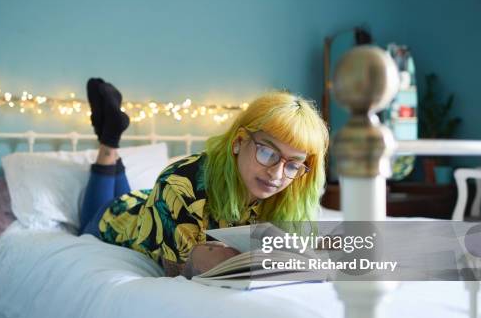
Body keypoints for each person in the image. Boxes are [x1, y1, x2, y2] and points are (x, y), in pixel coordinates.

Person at [80, 78, 329, 277]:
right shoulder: (178, 183)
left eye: (293, 165)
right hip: (119, 221)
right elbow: (172, 270)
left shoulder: (290, 193)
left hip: (146, 201)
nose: (276, 174)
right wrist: (194, 262)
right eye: (267, 152)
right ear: (239, 142)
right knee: (91, 220)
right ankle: (109, 142)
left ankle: (110, 137)